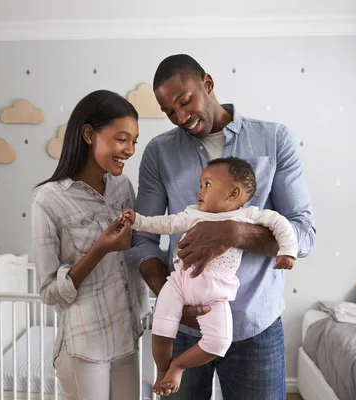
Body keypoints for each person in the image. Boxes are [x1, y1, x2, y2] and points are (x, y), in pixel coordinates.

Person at [125, 54, 316, 399]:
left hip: (256, 327)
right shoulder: (159, 152)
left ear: (207, 84)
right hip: (183, 327)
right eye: (169, 111)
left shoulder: (274, 140)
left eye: (185, 101)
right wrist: (174, 301)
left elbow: (303, 233)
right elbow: (143, 240)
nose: (180, 117)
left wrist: (235, 233)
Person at [122, 156, 298, 395]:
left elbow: (282, 225)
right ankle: (164, 371)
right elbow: (165, 224)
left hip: (215, 293)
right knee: (162, 328)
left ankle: (179, 365)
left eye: (207, 184)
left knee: (218, 343)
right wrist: (138, 221)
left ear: (233, 193)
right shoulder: (194, 213)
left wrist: (287, 252)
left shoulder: (248, 216)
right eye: (201, 184)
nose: (199, 190)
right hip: (179, 284)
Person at [32, 89, 150, 400]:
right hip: (85, 343)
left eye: (134, 141)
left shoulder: (123, 187)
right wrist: (99, 249)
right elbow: (48, 292)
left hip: (127, 336)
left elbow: (137, 250)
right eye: (122, 139)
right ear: (88, 134)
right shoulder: (48, 200)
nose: (129, 150)